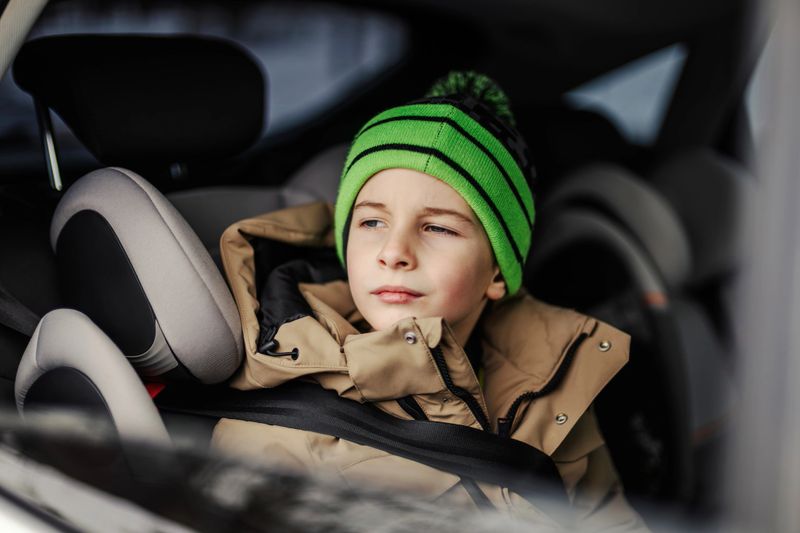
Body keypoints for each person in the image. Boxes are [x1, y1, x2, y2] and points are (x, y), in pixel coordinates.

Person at [212, 71, 647, 530]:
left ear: (496, 273)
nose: (395, 252)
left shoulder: (558, 375)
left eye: (437, 228)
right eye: (372, 223)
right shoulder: (277, 437)